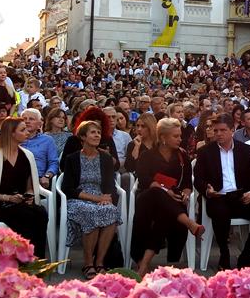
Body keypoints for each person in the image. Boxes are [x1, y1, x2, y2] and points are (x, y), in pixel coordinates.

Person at [193, 113, 250, 270]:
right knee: (220, 212)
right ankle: (224, 254)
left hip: (240, 196)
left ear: (232, 130)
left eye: (222, 130)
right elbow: (198, 178)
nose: (218, 134)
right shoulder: (206, 151)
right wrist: (207, 189)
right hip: (218, 196)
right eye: (216, 130)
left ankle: (246, 253)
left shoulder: (245, 150)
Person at [131, 118, 203, 276]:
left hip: (173, 203)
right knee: (158, 193)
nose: (180, 139)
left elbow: (187, 183)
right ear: (163, 137)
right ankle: (189, 223)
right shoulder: (147, 155)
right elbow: (144, 180)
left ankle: (144, 263)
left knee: (164, 214)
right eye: (175, 136)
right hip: (148, 199)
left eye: (180, 136)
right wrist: (165, 190)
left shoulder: (182, 156)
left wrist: (186, 192)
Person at [0, 117, 48, 258]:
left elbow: (30, 185)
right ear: (11, 134)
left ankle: (37, 257)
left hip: (21, 202)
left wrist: (30, 195)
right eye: (22, 130)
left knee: (41, 212)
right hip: (1, 204)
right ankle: (25, 256)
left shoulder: (27, 156)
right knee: (27, 216)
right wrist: (8, 198)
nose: (27, 132)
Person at [61, 121, 122, 279]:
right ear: (83, 136)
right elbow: (68, 189)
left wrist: (108, 197)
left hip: (101, 197)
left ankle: (99, 262)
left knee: (111, 211)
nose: (97, 135)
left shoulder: (105, 158)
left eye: (98, 133)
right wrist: (96, 198)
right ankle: (88, 263)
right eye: (93, 132)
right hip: (79, 198)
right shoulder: (72, 158)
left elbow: (110, 185)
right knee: (91, 211)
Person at [20, 109, 58, 189]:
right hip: (16, 178)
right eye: (24, 119)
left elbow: (54, 163)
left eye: (31, 119)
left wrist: (47, 176)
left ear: (39, 124)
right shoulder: (14, 139)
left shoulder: (47, 140)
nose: (27, 121)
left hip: (38, 180)